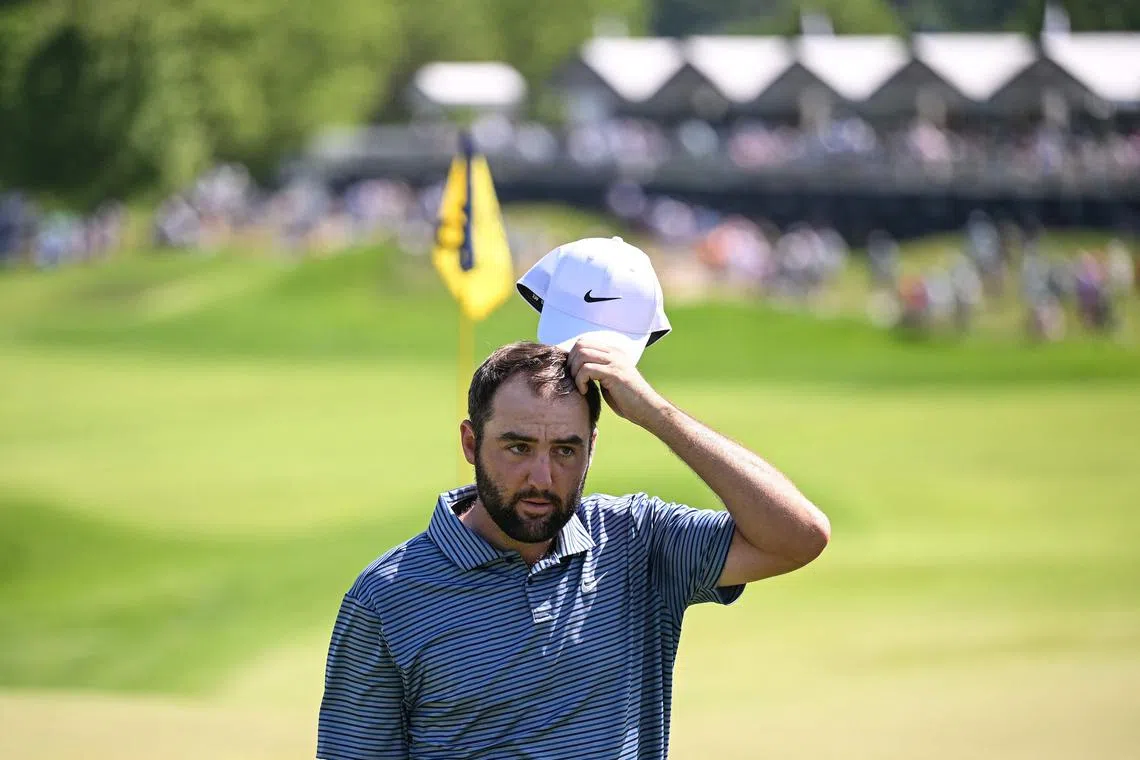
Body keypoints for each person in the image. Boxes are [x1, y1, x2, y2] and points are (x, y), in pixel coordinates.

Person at [316, 339, 830, 759]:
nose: (542, 477)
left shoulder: (638, 539)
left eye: (566, 450)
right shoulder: (387, 598)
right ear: (471, 444)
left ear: (592, 449)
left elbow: (800, 535)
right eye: (518, 447)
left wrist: (656, 413)